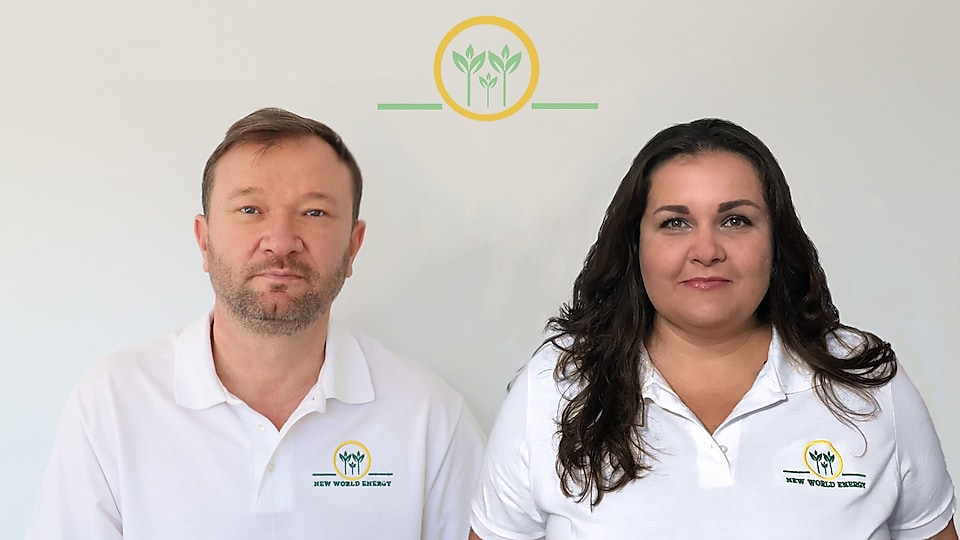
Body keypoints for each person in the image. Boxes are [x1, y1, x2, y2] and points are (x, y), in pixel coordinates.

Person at [469, 118, 957, 539]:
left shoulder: (867, 385)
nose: (706, 250)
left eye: (736, 220)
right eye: (675, 223)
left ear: (776, 240)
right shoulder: (555, 385)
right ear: (635, 245)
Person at [28, 107, 485, 539]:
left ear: (353, 246)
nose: (281, 241)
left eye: (314, 212)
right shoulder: (113, 401)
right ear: (204, 241)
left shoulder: (430, 416)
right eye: (250, 209)